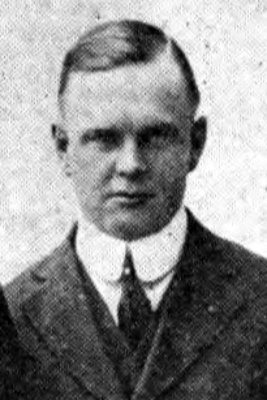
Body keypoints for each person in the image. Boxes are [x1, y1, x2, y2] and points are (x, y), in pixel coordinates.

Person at [4, 19, 267, 399]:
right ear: (63, 148)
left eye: (155, 136)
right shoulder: (12, 318)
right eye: (104, 139)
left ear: (195, 143)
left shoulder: (259, 299)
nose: (130, 165)